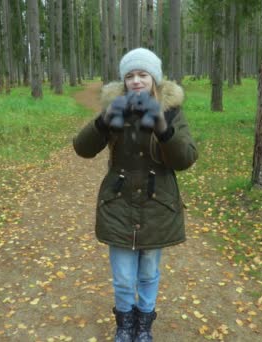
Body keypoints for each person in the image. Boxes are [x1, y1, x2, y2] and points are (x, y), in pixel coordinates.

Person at [73, 48, 198, 342]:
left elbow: (186, 160)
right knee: (124, 277)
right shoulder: (115, 109)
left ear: (154, 78)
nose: (137, 81)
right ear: (124, 81)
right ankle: (125, 325)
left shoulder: (172, 112)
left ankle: (144, 326)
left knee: (149, 273)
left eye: (143, 75)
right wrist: (104, 120)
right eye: (130, 76)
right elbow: (82, 149)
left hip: (158, 205)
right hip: (118, 203)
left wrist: (163, 129)